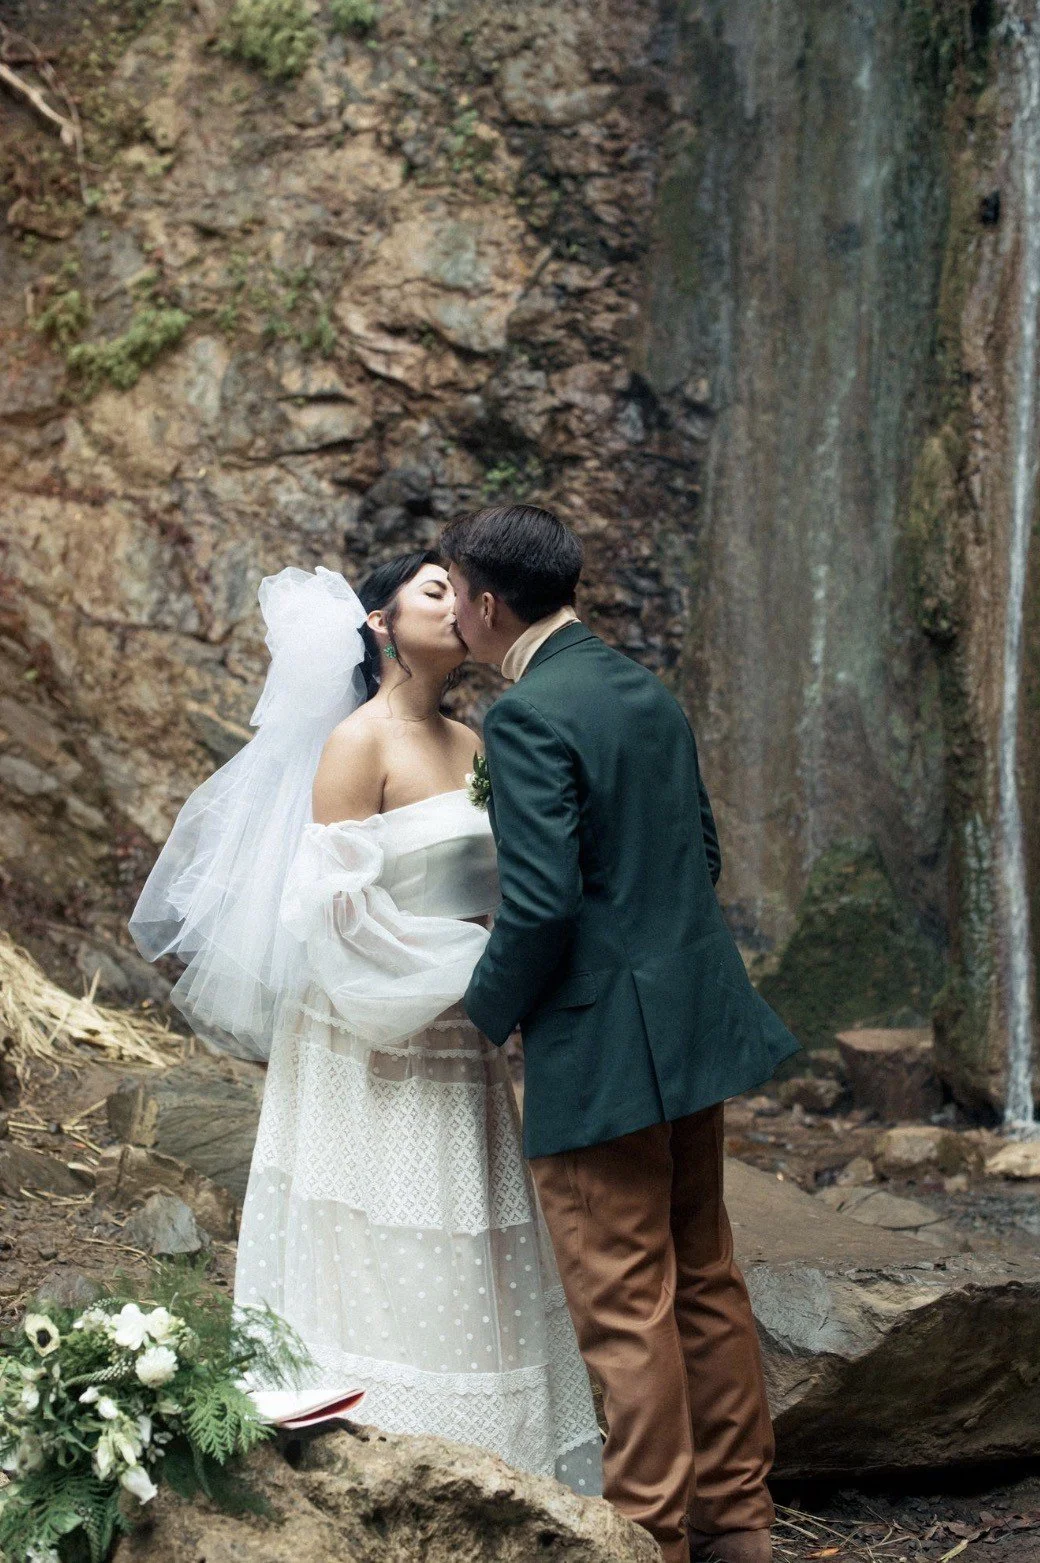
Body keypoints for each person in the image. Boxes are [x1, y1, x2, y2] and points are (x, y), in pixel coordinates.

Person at [129, 553, 602, 1492]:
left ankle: (487, 1465)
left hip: (460, 1036)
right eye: (434, 590)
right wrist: (473, 966)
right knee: (376, 1218)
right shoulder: (357, 742)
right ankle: (370, 1439)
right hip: (367, 1030)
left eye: (460, 591)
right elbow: (333, 916)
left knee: (465, 1220)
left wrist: (503, 964)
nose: (458, 605)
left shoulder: (477, 745)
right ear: (380, 624)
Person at [440, 504, 800, 1563]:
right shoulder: (643, 688)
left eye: (455, 591)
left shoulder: (526, 715)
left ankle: (648, 1535)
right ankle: (737, 1524)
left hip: (601, 1049)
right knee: (704, 1276)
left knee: (623, 1299)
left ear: (488, 604)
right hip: (692, 1027)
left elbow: (541, 905)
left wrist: (484, 1011)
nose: (452, 609)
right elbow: (697, 849)